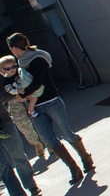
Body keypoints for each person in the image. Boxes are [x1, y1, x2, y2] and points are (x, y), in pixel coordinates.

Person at [5, 33, 94, 185]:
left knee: (67, 134)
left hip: (51, 101)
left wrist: (23, 94)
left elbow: (39, 82)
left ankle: (86, 158)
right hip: (36, 108)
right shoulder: (21, 62)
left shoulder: (37, 58)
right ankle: (73, 168)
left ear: (13, 48)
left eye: (10, 48)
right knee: (50, 140)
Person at [0, 56, 48, 159]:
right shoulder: (4, 80)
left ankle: (48, 143)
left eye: (13, 66)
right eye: (7, 68)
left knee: (39, 121)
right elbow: (4, 95)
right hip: (14, 105)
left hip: (29, 99)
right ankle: (36, 144)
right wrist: (16, 94)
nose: (11, 70)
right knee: (24, 127)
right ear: (2, 69)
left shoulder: (21, 72)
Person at [0, 92, 41, 196]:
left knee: (18, 155)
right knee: (2, 165)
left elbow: (8, 91)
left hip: (4, 123)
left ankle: (31, 185)